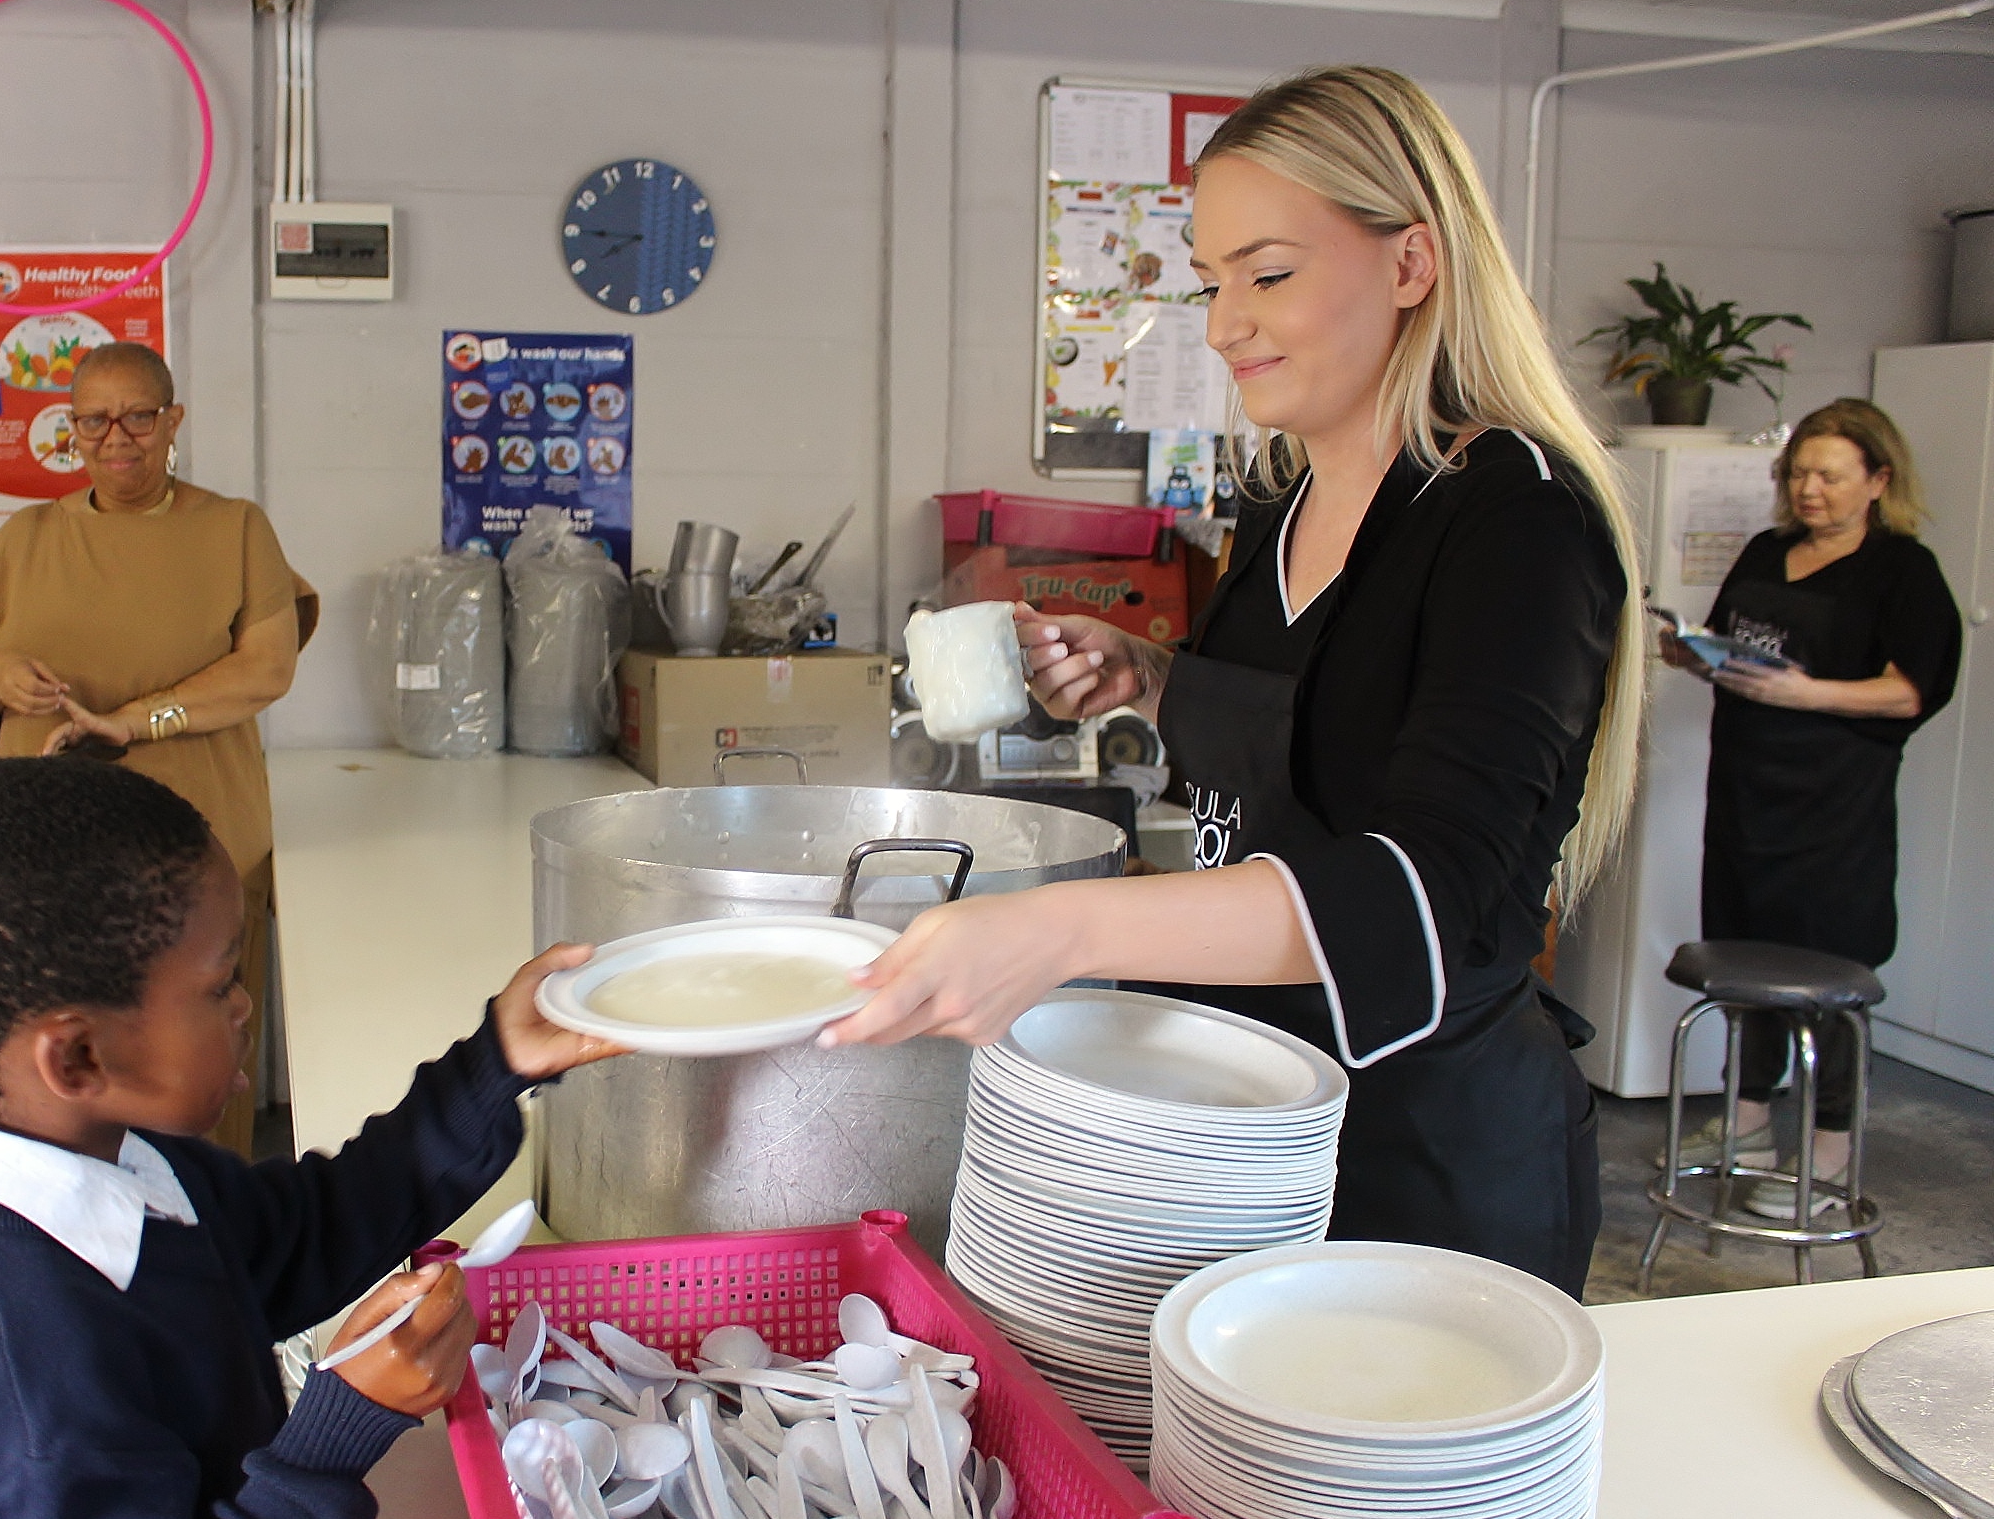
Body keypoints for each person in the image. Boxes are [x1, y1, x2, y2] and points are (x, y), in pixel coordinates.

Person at [827, 66, 1646, 1297]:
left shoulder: (1512, 518)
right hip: (1236, 1107)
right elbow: (1306, 743)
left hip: (1423, 1159)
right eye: (1212, 282)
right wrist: (1150, 679)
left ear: (1412, 263)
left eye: (1268, 275)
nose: (1221, 324)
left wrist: (1063, 925)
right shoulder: (1280, 493)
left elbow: (1421, 890)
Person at [0, 758, 622, 1519]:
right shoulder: (28, 1376)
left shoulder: (100, 1148)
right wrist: (343, 1426)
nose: (246, 1006)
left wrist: (494, 1066)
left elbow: (295, 1235)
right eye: (220, 984)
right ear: (76, 1057)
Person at [0, 342, 315, 1159]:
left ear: (172, 420)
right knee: (65, 1053)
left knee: (201, 1050)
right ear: (70, 431)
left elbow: (267, 667)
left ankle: (211, 1228)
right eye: (94, 420)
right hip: (52, 856)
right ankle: (75, 1228)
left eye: (139, 416)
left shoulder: (234, 528)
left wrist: (138, 722)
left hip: (203, 843)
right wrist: (2, 676)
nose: (118, 437)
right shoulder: (25, 540)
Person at [1662, 399, 1961, 1218]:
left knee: (1826, 976)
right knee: (1747, 961)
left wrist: (1807, 692)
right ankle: (1750, 1120)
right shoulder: (1768, 551)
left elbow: (1908, 691)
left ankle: (1828, 1157)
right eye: (1798, 473)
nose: (1810, 490)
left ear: (1879, 481)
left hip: (1834, 811)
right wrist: (1691, 651)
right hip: (1746, 795)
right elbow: (1727, 640)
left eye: (1830, 475)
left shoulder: (1904, 571)